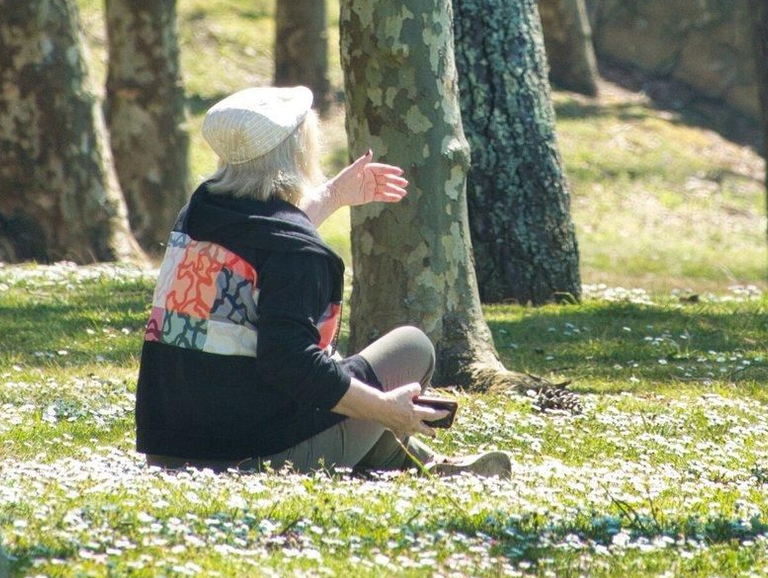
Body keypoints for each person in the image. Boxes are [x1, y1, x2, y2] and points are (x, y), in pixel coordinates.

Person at [134, 85, 511, 477]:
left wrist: (332, 195)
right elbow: (292, 365)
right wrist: (386, 410)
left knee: (346, 390)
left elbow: (266, 247)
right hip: (253, 458)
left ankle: (429, 465)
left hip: (173, 450)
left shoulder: (198, 213)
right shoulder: (297, 254)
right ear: (300, 151)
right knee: (411, 348)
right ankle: (421, 458)